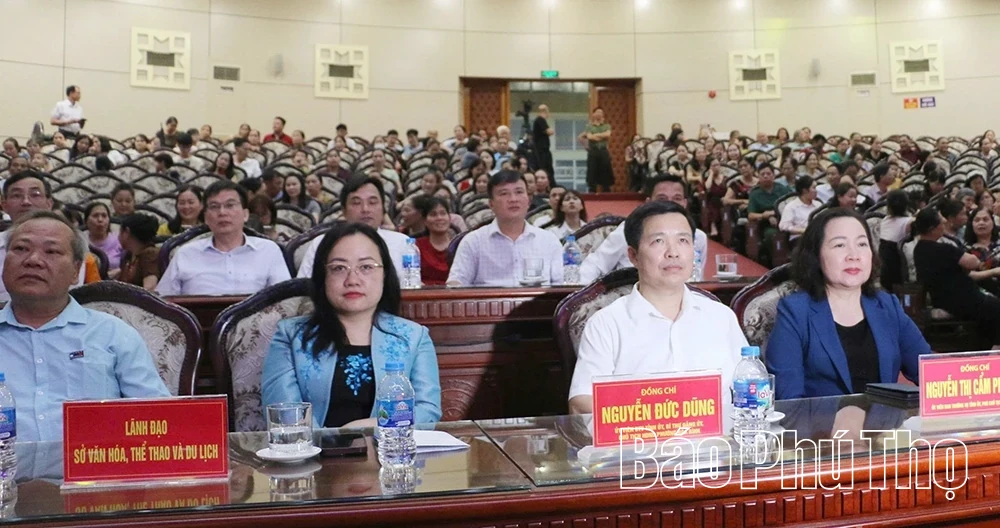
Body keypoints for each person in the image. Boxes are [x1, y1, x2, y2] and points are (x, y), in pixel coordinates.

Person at [0, 210, 170, 442]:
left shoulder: (113, 335)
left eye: (51, 251)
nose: (33, 260)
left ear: (75, 271)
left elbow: (159, 418)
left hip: (97, 464)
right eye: (21, 249)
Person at [568, 201, 747, 414]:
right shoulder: (606, 324)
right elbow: (581, 402)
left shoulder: (721, 317)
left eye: (683, 240)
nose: (673, 252)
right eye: (658, 241)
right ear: (633, 256)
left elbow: (751, 385)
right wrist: (655, 420)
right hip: (638, 435)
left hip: (720, 435)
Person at [262, 222, 441, 428]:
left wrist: (372, 426)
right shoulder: (290, 336)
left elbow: (427, 411)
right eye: (339, 268)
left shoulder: (413, 336)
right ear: (323, 277)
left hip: (389, 447)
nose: (352, 280)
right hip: (312, 448)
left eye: (366, 267)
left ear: (385, 274)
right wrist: (334, 441)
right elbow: (283, 413)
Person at [766, 208, 930, 399]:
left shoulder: (887, 305)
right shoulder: (795, 312)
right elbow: (788, 399)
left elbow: (930, 374)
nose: (854, 255)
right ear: (816, 255)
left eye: (862, 244)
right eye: (839, 245)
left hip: (885, 418)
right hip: (821, 419)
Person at [157, 181, 291, 296]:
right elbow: (163, 303)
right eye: (214, 207)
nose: (222, 212)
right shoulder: (185, 253)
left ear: (245, 214)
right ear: (206, 217)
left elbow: (285, 301)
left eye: (230, 205)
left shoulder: (269, 250)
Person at [580, 175, 709, 284]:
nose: (669, 204)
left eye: (677, 198)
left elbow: (697, 278)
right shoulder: (628, 230)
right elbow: (596, 264)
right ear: (649, 202)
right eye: (662, 199)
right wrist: (582, 297)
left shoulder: (698, 237)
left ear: (685, 203)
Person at [447, 170, 564, 287]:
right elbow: (456, 284)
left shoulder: (549, 241)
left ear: (528, 200)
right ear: (491, 204)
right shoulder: (473, 241)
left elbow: (560, 285)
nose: (513, 199)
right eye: (504, 193)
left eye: (519, 192)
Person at [913, 207, 1000, 346]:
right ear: (932, 228)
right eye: (941, 221)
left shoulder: (919, 249)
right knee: (995, 307)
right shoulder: (942, 249)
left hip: (943, 298)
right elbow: (973, 262)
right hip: (959, 299)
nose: (945, 222)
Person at [298, 177, 408, 279]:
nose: (365, 209)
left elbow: (412, 287)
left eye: (372, 202)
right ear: (344, 211)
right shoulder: (321, 243)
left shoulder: (403, 243)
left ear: (383, 208)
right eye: (356, 203)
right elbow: (303, 288)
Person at [748, 164, 790, 265]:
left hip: (786, 221)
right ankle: (777, 263)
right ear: (758, 176)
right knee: (772, 235)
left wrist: (773, 213)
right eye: (762, 174)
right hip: (766, 225)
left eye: (768, 173)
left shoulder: (783, 189)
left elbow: (792, 206)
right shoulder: (755, 193)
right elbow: (751, 215)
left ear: (774, 175)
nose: (766, 176)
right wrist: (764, 215)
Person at [414, 197, 454, 286]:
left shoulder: (458, 245)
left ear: (449, 218)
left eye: (443, 213)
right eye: (433, 214)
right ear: (425, 221)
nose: (439, 218)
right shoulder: (416, 246)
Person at [117, 213, 162, 291]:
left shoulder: (150, 254)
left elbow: (150, 288)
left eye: (120, 232)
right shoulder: (128, 255)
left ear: (127, 232)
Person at [579, 107, 613, 193]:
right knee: (592, 170)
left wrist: (595, 135)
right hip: (593, 151)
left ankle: (606, 191)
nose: (599, 114)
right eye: (597, 112)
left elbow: (607, 135)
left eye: (601, 112)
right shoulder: (589, 126)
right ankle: (592, 191)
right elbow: (589, 137)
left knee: (605, 170)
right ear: (593, 114)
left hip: (603, 150)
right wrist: (601, 136)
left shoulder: (606, 126)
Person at [779, 176, 822, 241]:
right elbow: (783, 226)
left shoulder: (818, 204)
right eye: (814, 188)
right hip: (799, 238)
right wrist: (803, 230)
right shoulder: (791, 206)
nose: (816, 191)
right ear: (805, 190)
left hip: (818, 236)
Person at [84, 202, 122, 272]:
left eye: (104, 216)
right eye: (95, 216)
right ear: (86, 220)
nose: (100, 220)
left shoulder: (120, 240)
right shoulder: (80, 240)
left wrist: (118, 271)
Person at [533, 104, 555, 181]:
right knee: (546, 170)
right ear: (545, 111)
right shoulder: (540, 120)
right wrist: (551, 129)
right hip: (541, 151)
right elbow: (549, 132)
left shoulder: (539, 120)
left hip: (543, 150)